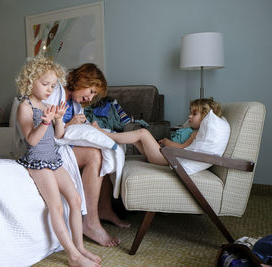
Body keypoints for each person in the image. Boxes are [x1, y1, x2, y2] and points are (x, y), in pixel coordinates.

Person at [15, 56, 101, 267]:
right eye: (45, 84)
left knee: (76, 200)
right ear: (30, 80)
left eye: (52, 85)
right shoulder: (24, 107)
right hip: (37, 161)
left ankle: (79, 247)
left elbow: (60, 136)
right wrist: (45, 121)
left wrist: (59, 119)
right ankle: (73, 256)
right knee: (56, 207)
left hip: (53, 158)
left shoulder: (48, 105)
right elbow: (32, 140)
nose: (49, 89)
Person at [44, 63, 129, 247]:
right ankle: (90, 222)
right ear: (83, 80)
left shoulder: (76, 104)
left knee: (104, 151)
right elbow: (42, 128)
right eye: (91, 91)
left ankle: (104, 209)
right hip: (50, 147)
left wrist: (86, 127)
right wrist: (69, 125)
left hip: (66, 145)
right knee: (94, 156)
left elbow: (77, 131)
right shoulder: (54, 91)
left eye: (93, 95)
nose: (90, 97)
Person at [92, 98, 223, 166]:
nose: (189, 116)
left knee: (142, 133)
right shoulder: (189, 129)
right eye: (190, 113)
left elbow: (183, 148)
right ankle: (110, 136)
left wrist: (167, 142)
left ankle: (107, 135)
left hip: (166, 159)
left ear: (205, 117)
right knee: (137, 137)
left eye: (194, 114)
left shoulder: (195, 134)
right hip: (163, 153)